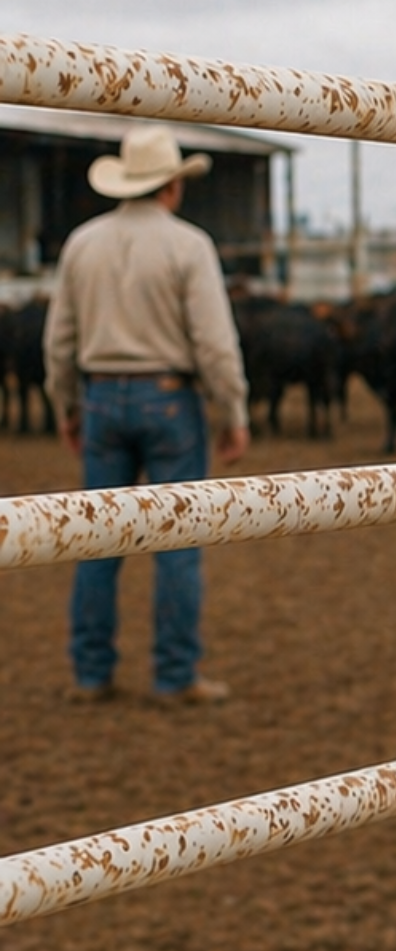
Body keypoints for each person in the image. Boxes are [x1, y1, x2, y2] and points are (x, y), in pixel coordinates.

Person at [43, 123, 249, 705]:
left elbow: (59, 340)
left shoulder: (82, 243)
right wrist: (233, 411)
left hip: (101, 398)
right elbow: (214, 343)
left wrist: (66, 406)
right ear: (173, 187)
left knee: (96, 542)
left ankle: (91, 672)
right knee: (178, 545)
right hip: (169, 399)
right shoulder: (188, 245)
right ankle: (175, 675)